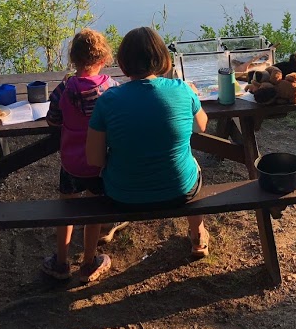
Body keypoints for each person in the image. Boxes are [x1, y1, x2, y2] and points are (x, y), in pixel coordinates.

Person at [86, 26, 210, 260]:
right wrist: (192, 95)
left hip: (122, 196)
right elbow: (201, 126)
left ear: (123, 63)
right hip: (179, 191)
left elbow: (94, 159)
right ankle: (198, 233)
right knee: (192, 163)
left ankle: (109, 224)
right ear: (163, 58)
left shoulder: (108, 100)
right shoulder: (182, 90)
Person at [41, 29, 123, 283]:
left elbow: (53, 120)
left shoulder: (63, 89)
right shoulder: (110, 88)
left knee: (67, 209)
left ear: (73, 59)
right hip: (99, 163)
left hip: (71, 163)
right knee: (93, 211)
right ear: (104, 59)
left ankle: (61, 261)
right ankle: (89, 261)